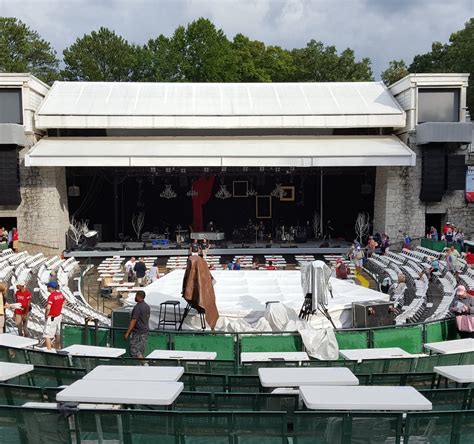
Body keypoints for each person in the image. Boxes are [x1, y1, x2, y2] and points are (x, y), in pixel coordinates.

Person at [124, 290, 150, 359]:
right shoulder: (147, 306)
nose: (135, 297)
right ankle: (141, 367)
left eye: (136, 296)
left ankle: (145, 365)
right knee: (140, 351)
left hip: (138, 333)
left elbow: (134, 320)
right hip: (145, 331)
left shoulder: (138, 307)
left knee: (135, 351)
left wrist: (127, 333)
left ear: (138, 296)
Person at [44, 281, 66, 350]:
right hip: (58, 316)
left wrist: (46, 315)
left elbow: (48, 307)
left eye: (48, 286)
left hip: (52, 317)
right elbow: (65, 301)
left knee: (47, 335)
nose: (47, 288)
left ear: (51, 288)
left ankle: (49, 351)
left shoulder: (51, 296)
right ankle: (57, 349)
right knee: (57, 334)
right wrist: (60, 307)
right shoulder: (60, 294)